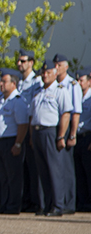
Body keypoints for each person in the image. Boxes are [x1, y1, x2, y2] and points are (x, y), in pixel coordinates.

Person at [29, 62, 72, 216]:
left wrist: (61, 136)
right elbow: (32, 116)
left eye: (48, 72)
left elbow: (66, 114)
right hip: (38, 131)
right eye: (43, 72)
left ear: (55, 74)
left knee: (55, 170)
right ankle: (46, 205)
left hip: (51, 132)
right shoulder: (38, 92)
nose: (44, 75)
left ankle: (58, 205)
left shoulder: (60, 91)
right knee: (43, 171)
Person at [0, 68, 29, 214]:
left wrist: (18, 144)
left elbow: (22, 124)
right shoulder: (1, 100)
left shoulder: (17, 101)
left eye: (4, 81)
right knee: (3, 177)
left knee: (14, 177)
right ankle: (5, 204)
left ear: (13, 83)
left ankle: (13, 206)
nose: (1, 84)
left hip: (11, 141)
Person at [53, 53, 82, 213]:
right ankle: (60, 201)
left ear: (66, 66)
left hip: (67, 126)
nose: (56, 68)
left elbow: (75, 112)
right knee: (57, 166)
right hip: (57, 126)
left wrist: (72, 134)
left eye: (59, 65)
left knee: (67, 167)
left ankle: (69, 203)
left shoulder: (72, 85)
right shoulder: (55, 84)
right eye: (55, 65)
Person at [16, 49, 42, 213]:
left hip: (30, 127)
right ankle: (25, 200)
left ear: (31, 62)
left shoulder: (36, 82)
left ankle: (36, 201)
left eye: (23, 61)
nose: (20, 63)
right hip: (19, 128)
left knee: (34, 168)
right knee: (21, 168)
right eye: (19, 61)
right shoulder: (18, 83)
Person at [75, 65, 91, 212]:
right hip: (78, 138)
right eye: (78, 80)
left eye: (82, 80)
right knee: (79, 173)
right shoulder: (77, 97)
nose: (79, 83)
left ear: (89, 81)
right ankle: (82, 201)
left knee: (88, 172)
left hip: (88, 137)